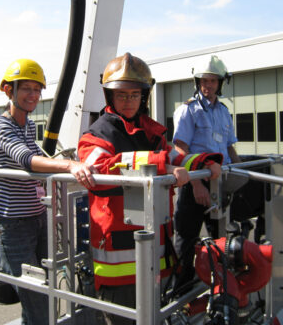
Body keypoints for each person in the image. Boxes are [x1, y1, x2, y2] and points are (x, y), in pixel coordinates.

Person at [77, 53, 222, 324]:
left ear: (144, 96)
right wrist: (161, 164)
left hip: (157, 248)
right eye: (122, 95)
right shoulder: (95, 135)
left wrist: (204, 161)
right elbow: (101, 169)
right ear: (109, 96)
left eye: (134, 95)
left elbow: (174, 156)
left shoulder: (150, 130)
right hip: (119, 262)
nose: (129, 101)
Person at [0, 58, 97, 325]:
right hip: (12, 226)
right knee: (37, 300)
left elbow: (40, 154)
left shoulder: (26, 126)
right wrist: (70, 165)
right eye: (26, 88)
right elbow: (26, 159)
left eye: (37, 89)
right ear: (8, 90)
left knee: (46, 294)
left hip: (38, 220)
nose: (33, 95)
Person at [172, 55, 241, 290]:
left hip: (220, 186)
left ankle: (221, 288)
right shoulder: (188, 111)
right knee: (186, 239)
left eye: (212, 81)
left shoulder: (223, 112)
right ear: (197, 82)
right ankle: (181, 291)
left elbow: (230, 148)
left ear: (220, 84)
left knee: (223, 240)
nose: (207, 86)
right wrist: (196, 184)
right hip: (196, 187)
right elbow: (181, 150)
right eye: (204, 80)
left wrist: (241, 177)